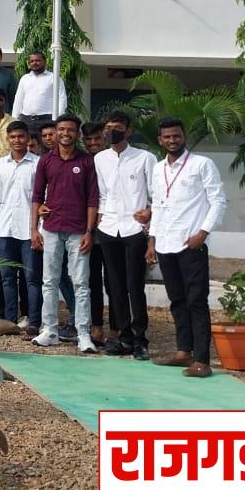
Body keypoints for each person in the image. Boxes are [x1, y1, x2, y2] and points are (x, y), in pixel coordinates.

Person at [147, 117, 227, 378]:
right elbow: (158, 205)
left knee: (196, 302)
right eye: (167, 137)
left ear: (184, 137)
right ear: (160, 140)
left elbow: (218, 201)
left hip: (191, 244)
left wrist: (202, 232)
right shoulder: (158, 169)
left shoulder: (201, 164)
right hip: (166, 245)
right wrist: (153, 240)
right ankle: (184, 351)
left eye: (176, 136)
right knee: (177, 301)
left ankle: (202, 360)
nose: (172, 140)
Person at [30, 114, 100, 353]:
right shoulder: (46, 161)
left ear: (77, 133)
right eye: (61, 129)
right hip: (51, 229)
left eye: (70, 130)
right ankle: (49, 329)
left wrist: (90, 232)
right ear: (56, 132)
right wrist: (34, 229)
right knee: (49, 282)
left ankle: (83, 334)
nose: (65, 133)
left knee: (81, 283)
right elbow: (37, 197)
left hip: (79, 231)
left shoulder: (87, 161)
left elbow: (93, 199)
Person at [95, 111, 154, 360]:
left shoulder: (145, 158)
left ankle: (141, 339)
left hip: (134, 229)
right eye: (108, 128)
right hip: (109, 228)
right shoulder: (100, 159)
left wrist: (150, 213)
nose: (112, 132)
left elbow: (155, 194)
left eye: (117, 127)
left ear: (128, 131)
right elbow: (101, 193)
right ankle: (124, 336)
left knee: (134, 285)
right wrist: (99, 219)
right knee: (115, 285)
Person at [0, 121, 37, 327]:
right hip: (5, 229)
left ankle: (33, 320)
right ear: (8, 139)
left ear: (28, 139)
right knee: (7, 277)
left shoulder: (37, 163)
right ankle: (10, 320)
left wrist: (38, 230)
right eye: (13, 137)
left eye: (21, 136)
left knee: (31, 278)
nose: (17, 140)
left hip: (28, 230)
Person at [81, 121, 108, 343]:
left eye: (97, 139)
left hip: (112, 228)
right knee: (92, 282)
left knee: (114, 281)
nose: (92, 143)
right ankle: (96, 326)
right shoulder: (81, 160)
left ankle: (119, 327)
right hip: (87, 230)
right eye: (88, 139)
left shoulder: (112, 160)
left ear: (104, 138)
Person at [12, 51, 68, 124]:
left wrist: (58, 118)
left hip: (47, 119)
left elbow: (62, 98)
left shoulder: (54, 78)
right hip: (26, 119)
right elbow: (18, 99)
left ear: (45, 62)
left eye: (38, 61)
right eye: (32, 61)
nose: (34, 63)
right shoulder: (24, 78)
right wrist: (14, 118)